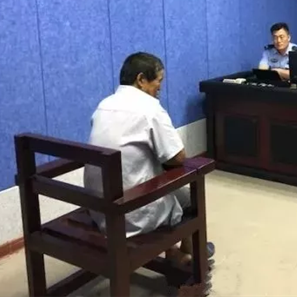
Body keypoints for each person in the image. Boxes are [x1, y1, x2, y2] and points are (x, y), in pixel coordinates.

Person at [83, 52, 213, 268]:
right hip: (129, 211)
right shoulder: (149, 108)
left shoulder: (104, 104)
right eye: (159, 81)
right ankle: (192, 251)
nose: (160, 88)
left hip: (99, 207)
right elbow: (178, 157)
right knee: (190, 195)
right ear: (141, 79)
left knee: (152, 177)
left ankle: (174, 253)